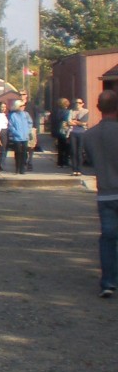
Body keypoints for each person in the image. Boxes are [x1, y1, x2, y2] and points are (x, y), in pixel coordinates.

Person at [81, 90, 118, 298]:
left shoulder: (89, 135)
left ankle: (108, 281)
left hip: (105, 192)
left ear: (98, 108)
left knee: (108, 238)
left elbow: (89, 163)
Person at [6, 98, 33, 174]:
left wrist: (28, 131)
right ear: (17, 106)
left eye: (24, 105)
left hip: (25, 136)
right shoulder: (13, 115)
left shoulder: (26, 114)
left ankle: (22, 168)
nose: (23, 107)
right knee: (18, 152)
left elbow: (30, 122)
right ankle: (17, 168)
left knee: (24, 153)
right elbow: (11, 126)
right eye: (21, 106)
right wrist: (15, 132)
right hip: (17, 137)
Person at [69, 97, 90, 176]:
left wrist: (75, 122)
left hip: (82, 133)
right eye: (76, 103)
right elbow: (69, 122)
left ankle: (79, 170)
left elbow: (85, 123)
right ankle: (74, 169)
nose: (77, 104)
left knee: (79, 152)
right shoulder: (71, 111)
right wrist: (79, 123)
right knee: (73, 151)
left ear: (82, 104)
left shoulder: (85, 111)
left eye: (79, 103)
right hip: (73, 132)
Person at [51, 97, 71, 168]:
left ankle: (60, 163)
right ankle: (65, 162)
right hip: (64, 131)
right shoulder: (67, 112)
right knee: (66, 147)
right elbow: (67, 121)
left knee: (60, 147)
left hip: (57, 130)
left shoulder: (54, 111)